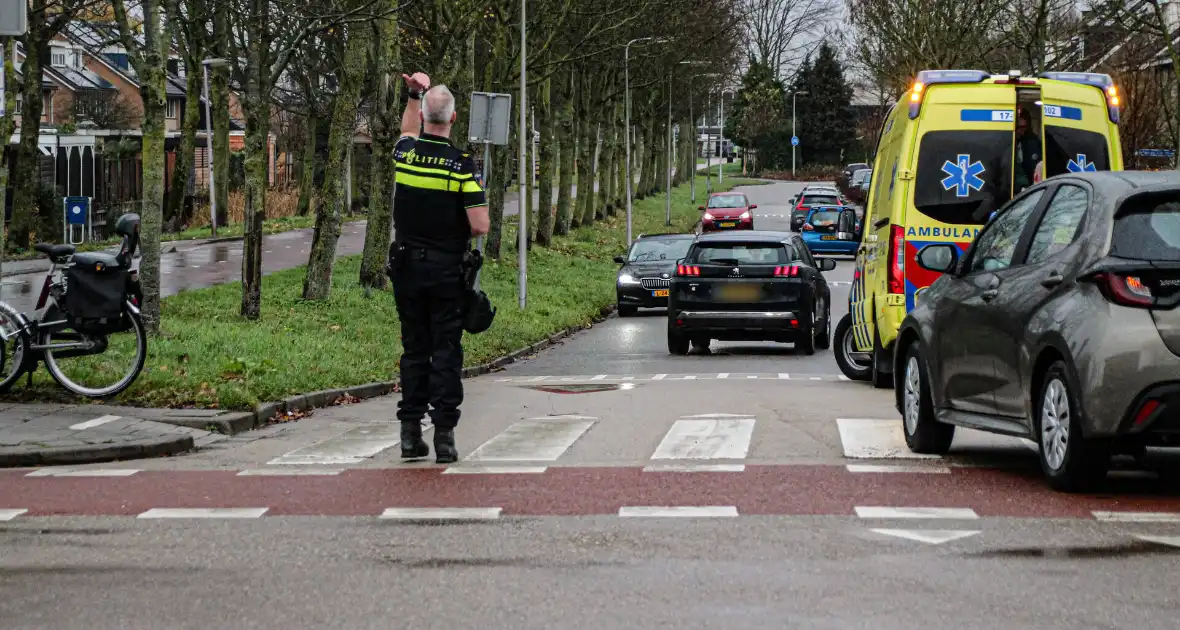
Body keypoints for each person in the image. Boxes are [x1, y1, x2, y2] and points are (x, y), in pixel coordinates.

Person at [389, 72, 491, 464]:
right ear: (452, 118)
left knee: (414, 349)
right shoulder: (461, 166)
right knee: (445, 349)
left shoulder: (406, 154)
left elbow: (405, 128)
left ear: (425, 116)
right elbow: (480, 225)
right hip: (447, 272)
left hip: (406, 270)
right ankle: (444, 438)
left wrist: (414, 93)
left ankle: (410, 434)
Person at [1013, 107, 1041, 194]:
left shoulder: (1034, 143)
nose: (1019, 131)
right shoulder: (1004, 143)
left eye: (1023, 127)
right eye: (1017, 127)